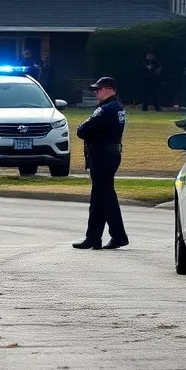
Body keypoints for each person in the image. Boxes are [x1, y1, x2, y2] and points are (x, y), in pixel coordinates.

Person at [72, 77, 129, 251]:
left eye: (99, 89)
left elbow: (83, 131)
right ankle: (117, 236)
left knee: (99, 198)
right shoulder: (117, 107)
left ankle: (94, 237)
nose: (96, 93)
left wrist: (83, 126)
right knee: (106, 197)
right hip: (110, 153)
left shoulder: (105, 109)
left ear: (109, 89)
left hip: (102, 155)